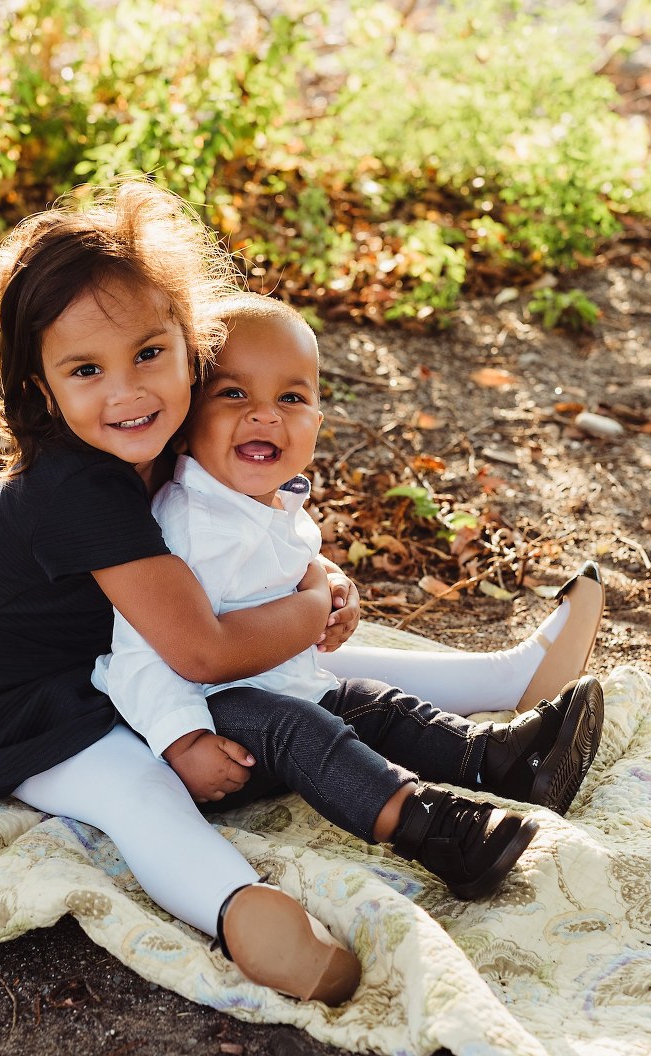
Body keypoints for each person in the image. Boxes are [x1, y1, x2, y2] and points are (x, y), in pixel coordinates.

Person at [0, 181, 362, 1004]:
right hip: (9, 712)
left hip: (111, 660)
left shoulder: (172, 437)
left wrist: (309, 574)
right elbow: (203, 649)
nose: (129, 392)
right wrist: (314, 602)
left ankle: (506, 680)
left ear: (191, 347)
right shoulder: (77, 488)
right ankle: (242, 911)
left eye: (150, 354)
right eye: (87, 369)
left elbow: (239, 565)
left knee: (302, 670)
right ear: (44, 390)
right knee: (135, 785)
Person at [92, 294, 606, 899]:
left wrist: (332, 586)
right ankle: (430, 828)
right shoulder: (186, 524)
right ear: (185, 421)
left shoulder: (264, 497)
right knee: (300, 726)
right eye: (234, 395)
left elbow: (288, 562)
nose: (265, 416)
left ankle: (496, 761)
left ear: (317, 418)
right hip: (209, 730)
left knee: (371, 704)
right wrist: (183, 743)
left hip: (282, 686)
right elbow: (137, 656)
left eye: (291, 398)